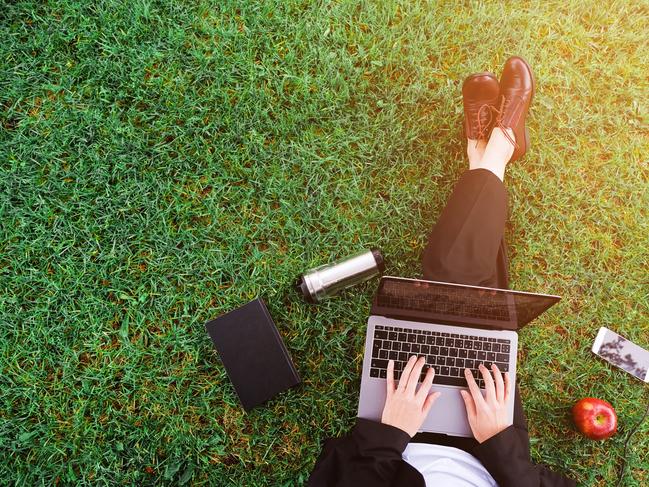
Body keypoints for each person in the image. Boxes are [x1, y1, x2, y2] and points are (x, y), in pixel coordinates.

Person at [307, 57, 577, 487]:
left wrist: (389, 434)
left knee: (457, 283)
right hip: (488, 447)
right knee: (468, 297)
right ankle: (498, 148)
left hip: (397, 442)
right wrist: (501, 445)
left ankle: (492, 156)